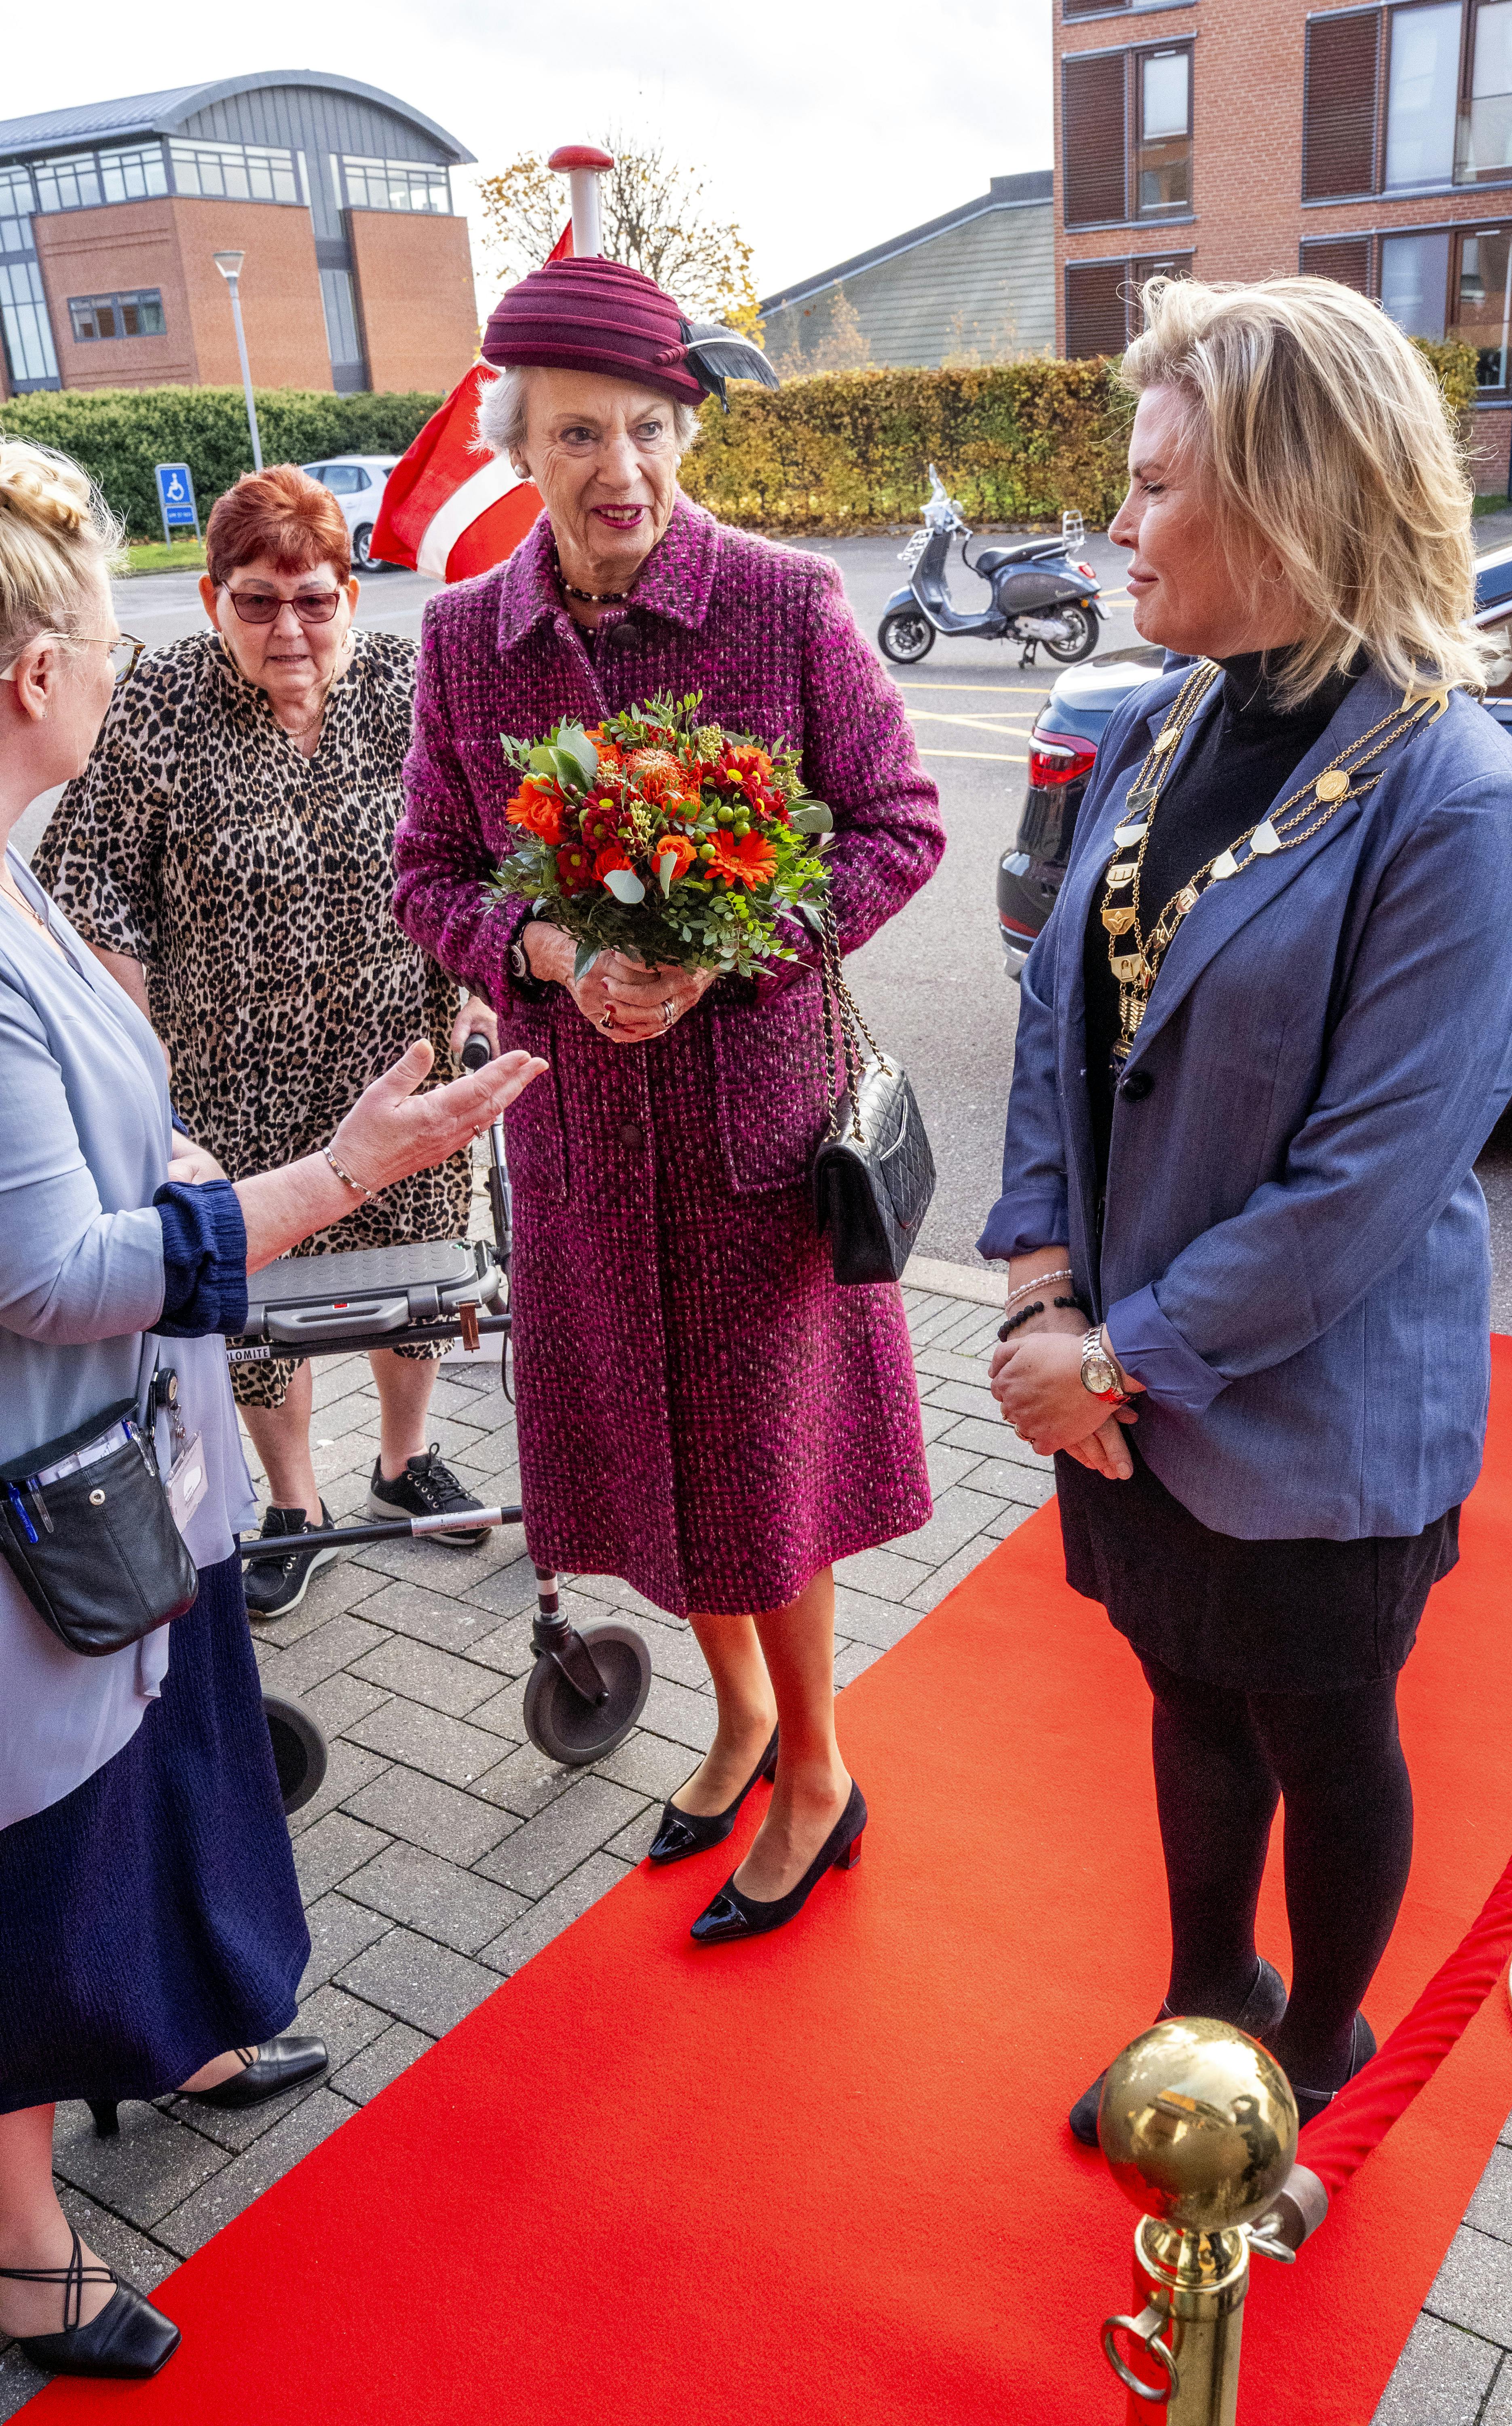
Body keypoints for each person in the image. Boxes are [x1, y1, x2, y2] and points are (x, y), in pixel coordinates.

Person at [978, 277, 1512, 2137]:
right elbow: (1054, 1021)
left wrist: (1115, 1363)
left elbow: (1361, 1190)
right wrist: (1036, 1286)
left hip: (1311, 1415)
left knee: (1321, 1731)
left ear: (1292, 503)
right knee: (1188, 1702)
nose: (1117, 526)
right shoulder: (1158, 720)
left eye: (1156, 490)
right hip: (1123, 1388)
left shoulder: (1455, 799)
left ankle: (1312, 2064)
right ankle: (1203, 2015)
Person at [0, 437, 541, 2380]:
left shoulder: (17, 872)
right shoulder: (33, 872)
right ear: (39, 678)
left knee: (174, 1748)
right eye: (105, 638)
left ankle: (191, 2025)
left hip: (141, 1434)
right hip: (55, 1471)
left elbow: (99, 1110)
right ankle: (21, 2246)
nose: (129, 663)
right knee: (44, 1832)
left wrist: (230, 1154)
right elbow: (46, 1264)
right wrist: (295, 1184)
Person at [394, 254, 944, 1945]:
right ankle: (740, 1723)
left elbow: (898, 824)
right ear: (517, 446)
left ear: (682, 431)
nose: (620, 470)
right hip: (578, 1143)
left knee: (764, 1467)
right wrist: (548, 952)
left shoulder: (781, 605)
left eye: (649, 429)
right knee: (650, 1463)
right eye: (578, 435)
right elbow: (426, 871)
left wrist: (737, 952)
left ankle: (822, 1770)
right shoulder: (467, 644)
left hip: (758, 1142)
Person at [35, 465, 500, 1621]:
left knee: (419, 1279)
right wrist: (141, 1065)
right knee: (251, 1302)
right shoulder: (156, 707)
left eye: (313, 598)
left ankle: (402, 1465)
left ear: (351, 592)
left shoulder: (411, 683)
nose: (287, 627)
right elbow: (90, 892)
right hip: (223, 1077)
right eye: (257, 601)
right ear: (212, 602)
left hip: (401, 1062)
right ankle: (294, 1504)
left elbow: (478, 858)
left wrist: (478, 1003)